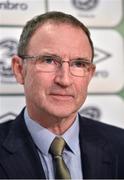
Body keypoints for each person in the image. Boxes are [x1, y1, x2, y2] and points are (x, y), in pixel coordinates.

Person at [0, 11, 124, 179]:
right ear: (19, 69)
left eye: (79, 64)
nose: (64, 80)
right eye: (49, 60)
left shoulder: (120, 145)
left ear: (90, 74)